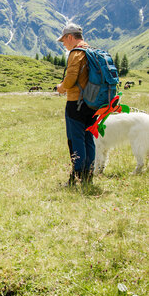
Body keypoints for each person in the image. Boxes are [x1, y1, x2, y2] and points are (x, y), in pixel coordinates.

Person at [56, 22, 97, 186]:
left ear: (70, 37)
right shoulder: (91, 51)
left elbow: (71, 79)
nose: (64, 44)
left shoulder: (76, 53)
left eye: (64, 41)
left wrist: (61, 88)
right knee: (88, 139)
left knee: (75, 140)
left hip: (76, 104)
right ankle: (89, 175)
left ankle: (76, 177)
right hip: (92, 103)